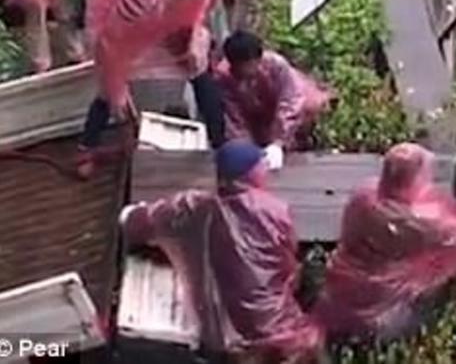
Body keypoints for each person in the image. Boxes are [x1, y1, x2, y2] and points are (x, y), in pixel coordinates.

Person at [312, 142, 456, 341]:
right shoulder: (416, 224)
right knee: (425, 304)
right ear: (412, 183)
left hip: (340, 280)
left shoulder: (363, 194)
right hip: (377, 299)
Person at [120, 140, 324, 363]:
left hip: (219, 335)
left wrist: (133, 214)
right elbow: (288, 269)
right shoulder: (277, 211)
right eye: (261, 165)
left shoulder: (194, 208)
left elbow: (136, 222)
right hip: (275, 328)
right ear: (252, 173)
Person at [77, 0, 225, 176]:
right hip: (121, 30)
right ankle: (87, 148)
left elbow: (200, 10)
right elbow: (111, 46)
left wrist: (192, 37)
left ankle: (220, 144)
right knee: (109, 96)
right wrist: (117, 88)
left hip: (171, 20)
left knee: (198, 67)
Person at [213, 30, 330, 168]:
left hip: (293, 104)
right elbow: (233, 116)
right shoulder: (223, 76)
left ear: (258, 59)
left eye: (250, 66)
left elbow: (290, 101)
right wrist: (246, 151)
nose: (246, 72)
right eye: (240, 68)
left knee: (303, 113)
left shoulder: (276, 65)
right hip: (254, 114)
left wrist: (278, 142)